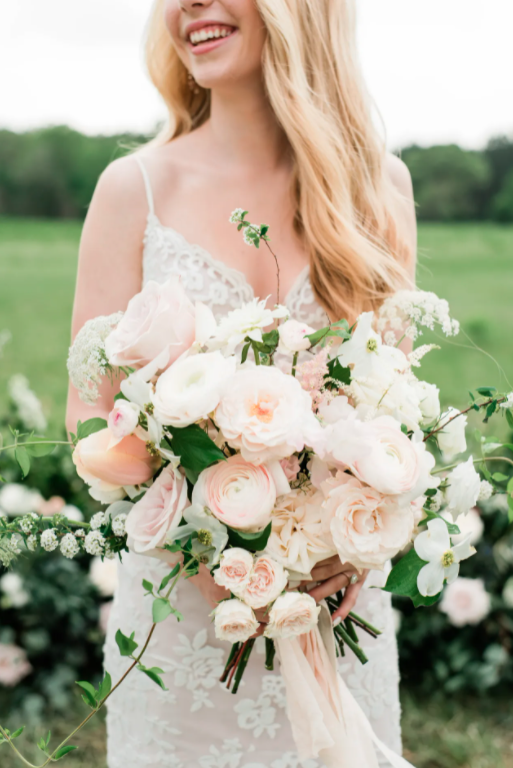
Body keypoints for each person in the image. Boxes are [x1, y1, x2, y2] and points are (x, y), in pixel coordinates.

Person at [66, 1, 416, 765]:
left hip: (332, 607)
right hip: (183, 623)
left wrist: (352, 547)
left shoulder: (377, 189)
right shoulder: (135, 188)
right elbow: (89, 415)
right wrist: (211, 553)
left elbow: (389, 415)